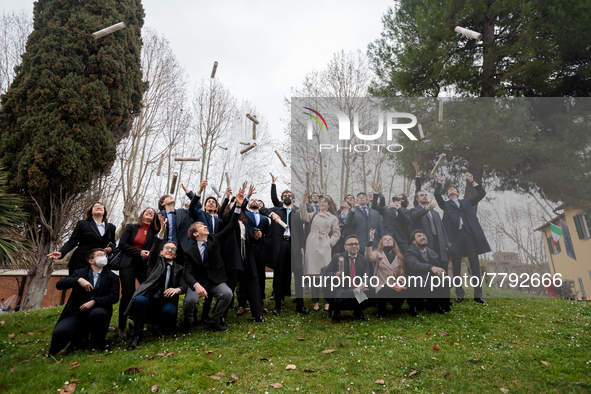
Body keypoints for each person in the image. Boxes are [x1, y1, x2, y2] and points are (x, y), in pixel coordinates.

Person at [183, 185, 245, 332]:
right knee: (190, 301)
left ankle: (214, 321)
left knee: (228, 294)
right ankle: (188, 322)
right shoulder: (189, 251)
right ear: (195, 234)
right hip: (198, 282)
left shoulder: (214, 239)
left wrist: (238, 206)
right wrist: (196, 285)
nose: (205, 227)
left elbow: (230, 227)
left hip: (214, 281)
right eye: (201, 226)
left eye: (205, 225)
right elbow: (187, 273)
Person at [125, 214, 187, 350]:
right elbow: (153, 250)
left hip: (166, 302)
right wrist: (161, 232)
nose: (170, 250)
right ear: (162, 252)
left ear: (176, 255)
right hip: (150, 300)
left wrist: (178, 290)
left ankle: (163, 328)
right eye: (167, 248)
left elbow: (184, 285)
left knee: (170, 311)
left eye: (173, 249)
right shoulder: (154, 262)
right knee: (140, 301)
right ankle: (137, 335)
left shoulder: (179, 268)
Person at [47, 248, 119, 355]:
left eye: (105, 255)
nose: (104, 257)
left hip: (99, 310)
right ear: (91, 261)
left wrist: (95, 301)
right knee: (61, 331)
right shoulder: (80, 273)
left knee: (98, 313)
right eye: (100, 255)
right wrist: (77, 280)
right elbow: (60, 285)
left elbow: (114, 297)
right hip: (78, 311)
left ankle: (97, 343)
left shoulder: (112, 277)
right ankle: (66, 345)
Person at [434, 173, 491, 305]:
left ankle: (478, 295)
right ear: (447, 195)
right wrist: (439, 181)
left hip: (470, 235)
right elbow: (437, 195)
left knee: (475, 266)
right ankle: (459, 294)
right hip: (454, 238)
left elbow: (481, 194)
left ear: (458, 194)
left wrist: (472, 181)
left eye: (454, 189)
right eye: (449, 190)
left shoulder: (467, 202)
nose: (451, 190)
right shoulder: (446, 205)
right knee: (456, 267)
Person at [260, 189, 309, 316]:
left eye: (289, 196)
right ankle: (277, 305)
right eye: (284, 195)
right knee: (279, 274)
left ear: (293, 199)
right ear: (282, 199)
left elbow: (301, 233)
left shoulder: (297, 212)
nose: (287, 197)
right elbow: (262, 209)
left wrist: (302, 248)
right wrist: (272, 215)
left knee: (298, 274)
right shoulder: (276, 210)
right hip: (281, 244)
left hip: (295, 245)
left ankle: (300, 305)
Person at [116, 207, 159, 340]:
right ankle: (121, 326)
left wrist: (148, 254)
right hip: (128, 263)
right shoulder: (131, 227)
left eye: (152, 212)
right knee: (128, 294)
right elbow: (121, 245)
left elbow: (155, 247)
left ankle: (136, 320)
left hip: (143, 265)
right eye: (147, 211)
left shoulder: (154, 231)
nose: (150, 212)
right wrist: (138, 252)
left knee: (147, 291)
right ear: (142, 214)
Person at [47, 202, 116, 275]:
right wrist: (61, 252)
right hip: (81, 262)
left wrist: (111, 248)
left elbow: (113, 243)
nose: (99, 207)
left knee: (99, 286)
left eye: (101, 206)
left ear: (104, 211)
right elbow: (72, 242)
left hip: (101, 263)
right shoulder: (82, 224)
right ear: (91, 211)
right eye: (96, 206)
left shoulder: (111, 227)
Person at [300, 193, 340, 312]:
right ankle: (315, 302)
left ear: (328, 205)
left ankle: (327, 301)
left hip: (325, 245)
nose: (321, 203)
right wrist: (303, 203)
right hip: (312, 244)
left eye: (324, 202)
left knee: (325, 274)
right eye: (320, 202)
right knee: (313, 275)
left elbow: (337, 233)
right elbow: (304, 216)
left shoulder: (333, 218)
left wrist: (329, 243)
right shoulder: (314, 215)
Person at [325, 235, 373, 323]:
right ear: (345, 247)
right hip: (341, 287)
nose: (354, 246)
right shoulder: (338, 257)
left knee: (372, 291)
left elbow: (366, 274)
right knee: (340, 296)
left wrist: (364, 282)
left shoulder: (364, 260)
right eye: (350, 244)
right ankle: (336, 312)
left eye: (356, 244)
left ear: (359, 245)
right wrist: (335, 274)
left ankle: (358, 310)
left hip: (357, 286)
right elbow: (326, 274)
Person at [365, 229, 409, 316]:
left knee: (404, 289)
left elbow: (402, 273)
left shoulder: (399, 257)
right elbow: (368, 257)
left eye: (390, 239)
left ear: (394, 243)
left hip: (395, 285)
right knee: (385, 289)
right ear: (382, 243)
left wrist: (401, 283)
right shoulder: (377, 254)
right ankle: (382, 310)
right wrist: (370, 240)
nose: (388, 240)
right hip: (381, 285)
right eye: (385, 239)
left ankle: (396, 309)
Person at [405, 230, 447, 315]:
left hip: (430, 279)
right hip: (415, 280)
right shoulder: (409, 252)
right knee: (421, 283)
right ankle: (414, 307)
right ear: (414, 241)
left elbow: (437, 265)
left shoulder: (431, 252)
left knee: (447, 280)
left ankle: (434, 304)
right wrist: (431, 267)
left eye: (424, 235)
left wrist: (439, 272)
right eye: (419, 236)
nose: (423, 237)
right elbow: (415, 265)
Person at [242, 196, 271, 312]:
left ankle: (260, 302)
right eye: (252, 200)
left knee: (261, 277)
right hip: (248, 249)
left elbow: (268, 235)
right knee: (245, 277)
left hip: (260, 251)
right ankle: (242, 304)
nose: (254, 201)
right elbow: (241, 207)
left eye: (256, 200)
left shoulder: (264, 219)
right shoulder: (245, 215)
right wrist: (246, 197)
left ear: (260, 205)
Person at [370, 182, 412, 254]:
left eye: (398, 195)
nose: (395, 195)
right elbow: (374, 207)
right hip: (388, 238)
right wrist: (376, 193)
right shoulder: (386, 208)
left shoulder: (406, 211)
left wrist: (398, 209)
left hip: (402, 239)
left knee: (404, 259)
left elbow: (407, 221)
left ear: (402, 200)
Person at [157, 184, 195, 251]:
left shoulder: (183, 212)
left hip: (181, 250)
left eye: (170, 196)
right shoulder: (157, 216)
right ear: (163, 203)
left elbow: (197, 206)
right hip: (163, 250)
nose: (170, 197)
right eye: (167, 197)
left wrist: (188, 192)